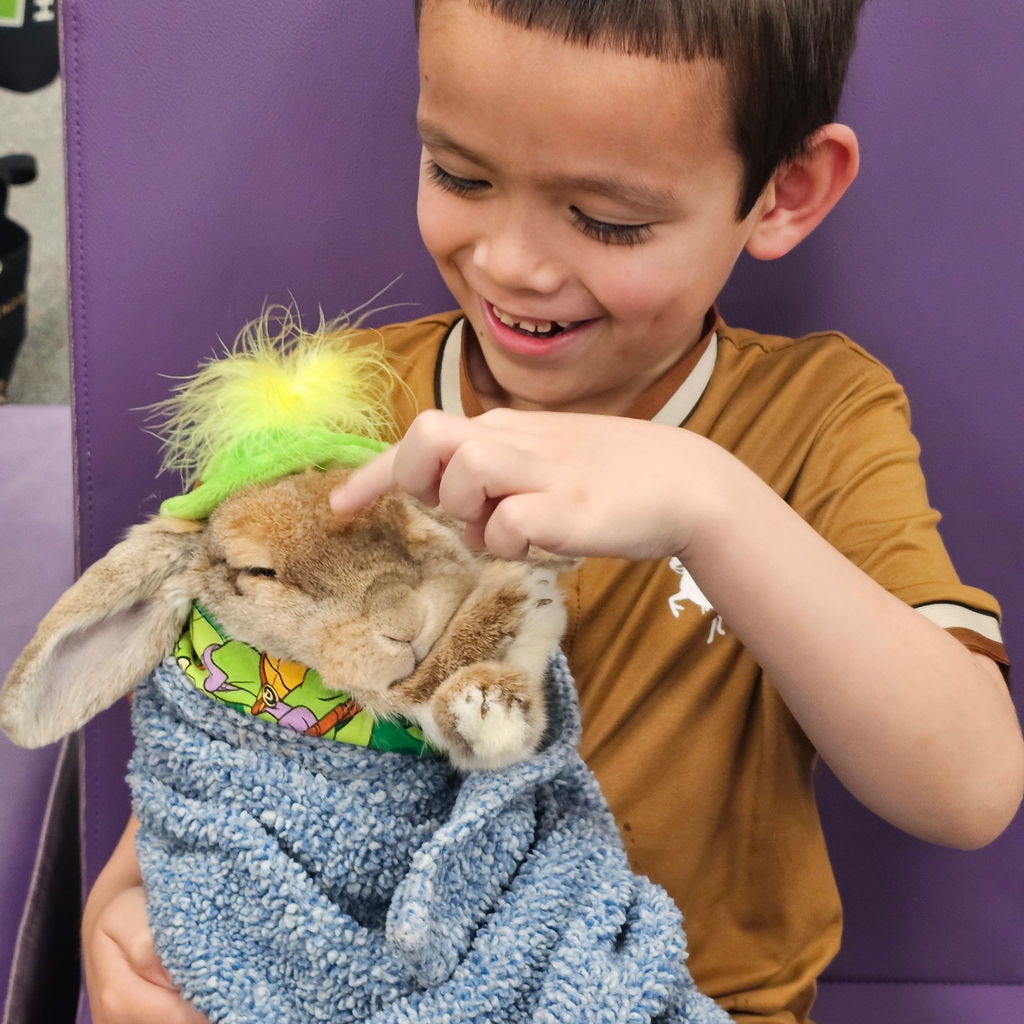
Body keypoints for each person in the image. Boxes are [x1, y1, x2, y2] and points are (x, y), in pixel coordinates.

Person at [82, 2, 1024, 1022]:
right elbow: (226, 744)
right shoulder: (342, 413)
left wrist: (707, 501)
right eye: (459, 174)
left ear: (784, 191)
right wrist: (127, 913)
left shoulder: (815, 418)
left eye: (608, 219)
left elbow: (967, 790)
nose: (511, 264)